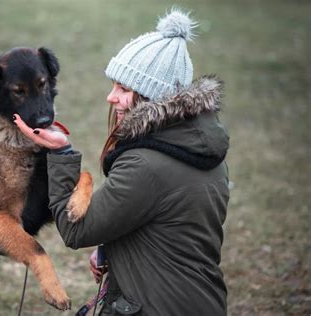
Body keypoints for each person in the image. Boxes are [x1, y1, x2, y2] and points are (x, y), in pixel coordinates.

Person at [14, 7, 229, 316]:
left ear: (152, 96)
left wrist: (60, 155)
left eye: (124, 89)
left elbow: (77, 231)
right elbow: (169, 226)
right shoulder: (204, 149)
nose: (110, 98)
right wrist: (109, 249)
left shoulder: (146, 165)